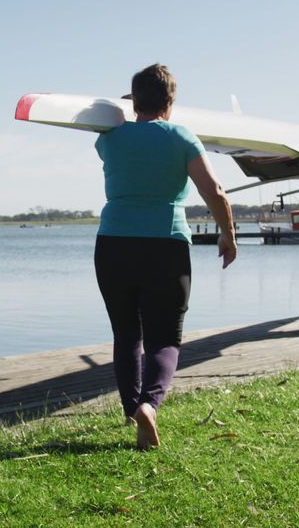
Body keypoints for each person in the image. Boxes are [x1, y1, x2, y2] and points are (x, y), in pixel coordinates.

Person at [94, 63, 237, 450]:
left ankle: (130, 410)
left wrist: (129, 109)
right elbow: (216, 192)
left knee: (126, 334)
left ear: (134, 99)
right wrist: (228, 234)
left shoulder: (110, 139)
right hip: (166, 244)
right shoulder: (182, 137)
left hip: (113, 244)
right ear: (171, 102)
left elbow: (120, 124)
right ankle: (149, 406)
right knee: (165, 339)